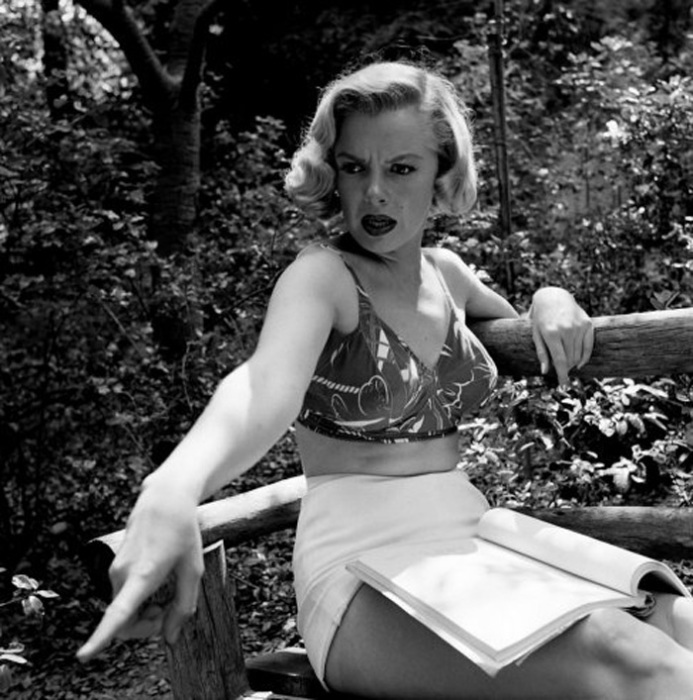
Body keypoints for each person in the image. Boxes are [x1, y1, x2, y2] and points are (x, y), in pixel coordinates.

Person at [77, 61, 693, 698]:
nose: (374, 192)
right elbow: (263, 386)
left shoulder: (448, 274)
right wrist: (175, 484)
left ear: (440, 174)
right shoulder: (322, 277)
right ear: (332, 172)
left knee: (683, 627)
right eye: (354, 167)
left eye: (401, 168)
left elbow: (525, 328)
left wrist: (552, 296)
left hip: (475, 537)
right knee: (632, 660)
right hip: (358, 566)